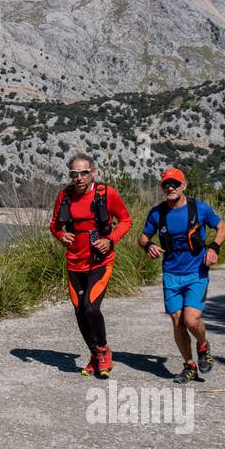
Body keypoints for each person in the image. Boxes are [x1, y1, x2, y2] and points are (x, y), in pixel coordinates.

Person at [137, 168, 225, 384]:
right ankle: (189, 365)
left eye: (174, 184)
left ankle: (203, 346)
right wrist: (149, 245)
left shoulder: (199, 208)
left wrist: (214, 247)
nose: (170, 188)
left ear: (183, 186)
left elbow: (222, 227)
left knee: (191, 319)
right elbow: (142, 238)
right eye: (166, 185)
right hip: (171, 273)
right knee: (177, 322)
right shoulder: (157, 213)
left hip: (196, 272)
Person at [49, 155, 133, 378]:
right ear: (70, 175)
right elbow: (54, 225)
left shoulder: (106, 194)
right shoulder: (64, 196)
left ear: (93, 172)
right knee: (79, 311)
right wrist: (60, 235)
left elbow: (126, 220)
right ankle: (94, 354)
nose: (79, 178)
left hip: (100, 261)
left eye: (84, 172)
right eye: (75, 173)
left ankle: (104, 350)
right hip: (75, 262)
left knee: (90, 307)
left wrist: (111, 240)